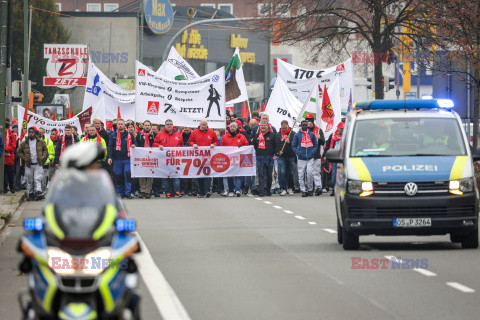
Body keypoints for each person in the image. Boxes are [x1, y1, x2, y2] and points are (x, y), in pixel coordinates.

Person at [153, 119, 184, 198]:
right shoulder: (160, 134)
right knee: (166, 176)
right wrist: (158, 146)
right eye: (167, 124)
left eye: (170, 124)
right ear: (165, 125)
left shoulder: (178, 135)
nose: (169, 125)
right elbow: (154, 143)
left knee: (176, 176)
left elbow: (182, 147)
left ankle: (177, 191)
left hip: (175, 160)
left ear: (173, 125)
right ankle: (168, 191)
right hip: (164, 160)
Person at [107, 118, 137, 199]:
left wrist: (134, 145)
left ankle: (128, 193)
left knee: (127, 175)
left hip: (127, 159)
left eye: (122, 124)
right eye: (119, 124)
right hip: (117, 159)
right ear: (117, 125)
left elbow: (135, 143)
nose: (120, 125)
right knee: (118, 176)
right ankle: (120, 193)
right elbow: (109, 147)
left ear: (124, 125)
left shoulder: (129, 134)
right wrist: (109, 157)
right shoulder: (113, 135)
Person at [190, 119, 218, 197]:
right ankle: (201, 192)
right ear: (200, 124)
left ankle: (207, 191)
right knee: (200, 175)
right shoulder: (194, 132)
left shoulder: (211, 132)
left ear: (207, 125)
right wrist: (193, 144)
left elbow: (216, 141)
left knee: (207, 174)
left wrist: (214, 144)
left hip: (208, 157)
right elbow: (190, 141)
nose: (204, 126)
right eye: (202, 125)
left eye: (205, 125)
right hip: (198, 157)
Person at [18, 127, 48, 201]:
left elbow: (45, 150)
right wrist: (24, 158)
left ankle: (38, 192)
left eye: (32, 132)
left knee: (37, 178)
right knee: (29, 180)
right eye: (29, 132)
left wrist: (43, 156)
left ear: (35, 133)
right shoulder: (24, 143)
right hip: (29, 164)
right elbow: (19, 151)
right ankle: (31, 194)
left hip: (38, 164)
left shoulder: (40, 141)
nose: (30, 134)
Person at [220, 122, 249, 196]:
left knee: (237, 175)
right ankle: (229, 190)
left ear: (236, 128)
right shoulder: (225, 137)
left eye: (234, 127)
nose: (232, 128)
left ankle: (237, 190)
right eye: (231, 127)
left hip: (238, 159)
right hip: (228, 159)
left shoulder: (241, 137)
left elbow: (246, 145)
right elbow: (221, 147)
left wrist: (241, 148)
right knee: (228, 175)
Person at [292, 120, 318, 197]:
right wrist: (298, 152)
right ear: (301, 126)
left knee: (309, 173)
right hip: (301, 158)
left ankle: (310, 189)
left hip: (310, 158)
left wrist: (312, 152)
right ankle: (303, 190)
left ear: (307, 126)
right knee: (301, 175)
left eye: (305, 125)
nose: (304, 126)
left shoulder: (312, 134)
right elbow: (293, 146)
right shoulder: (297, 135)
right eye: (303, 125)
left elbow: (315, 145)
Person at [252, 120, 277, 196]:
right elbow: (255, 146)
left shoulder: (272, 135)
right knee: (261, 175)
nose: (263, 127)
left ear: (267, 126)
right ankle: (261, 191)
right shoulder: (256, 135)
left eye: (264, 125)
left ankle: (268, 190)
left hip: (269, 158)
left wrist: (275, 154)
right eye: (261, 125)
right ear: (259, 127)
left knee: (269, 175)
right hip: (260, 157)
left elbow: (276, 145)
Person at [306, 114, 326, 196]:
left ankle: (319, 187)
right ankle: (310, 188)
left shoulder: (318, 130)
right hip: (307, 155)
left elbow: (323, 142)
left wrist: (320, 138)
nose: (307, 123)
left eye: (308, 121)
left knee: (317, 172)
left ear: (312, 121)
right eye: (306, 121)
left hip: (316, 155)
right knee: (309, 172)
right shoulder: (304, 130)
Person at [275, 120, 297, 196]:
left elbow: (295, 145)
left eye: (285, 128)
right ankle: (283, 188)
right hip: (281, 156)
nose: (284, 129)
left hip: (291, 156)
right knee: (282, 172)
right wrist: (278, 152)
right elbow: (276, 145)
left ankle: (290, 187)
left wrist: (289, 143)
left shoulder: (293, 134)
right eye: (283, 128)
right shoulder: (278, 135)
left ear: (288, 126)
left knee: (291, 173)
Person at [324, 122, 345, 196]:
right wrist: (325, 154)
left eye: (342, 129)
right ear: (338, 128)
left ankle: (342, 189)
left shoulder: (346, 136)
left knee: (342, 174)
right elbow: (327, 146)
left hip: (343, 158)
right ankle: (333, 189)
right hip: (334, 157)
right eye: (340, 128)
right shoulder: (332, 136)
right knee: (334, 174)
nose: (341, 130)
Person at [136, 120, 156, 198]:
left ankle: (148, 191)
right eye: (146, 125)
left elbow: (156, 143)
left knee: (150, 174)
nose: (147, 126)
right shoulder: (139, 135)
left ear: (150, 126)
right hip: (141, 157)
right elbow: (137, 144)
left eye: (148, 125)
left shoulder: (154, 134)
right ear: (143, 126)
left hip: (151, 157)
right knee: (142, 174)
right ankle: (142, 190)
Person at [38, 128, 55, 193]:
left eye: (41, 132)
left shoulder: (49, 141)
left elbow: (51, 153)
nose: (39, 133)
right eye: (38, 132)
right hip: (36, 162)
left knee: (43, 178)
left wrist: (48, 160)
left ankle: (43, 191)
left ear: (44, 133)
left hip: (45, 163)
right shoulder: (34, 140)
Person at [4, 123, 15, 193]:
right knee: (3, 175)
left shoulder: (11, 135)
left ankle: (11, 187)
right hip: (2, 159)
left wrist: (6, 149)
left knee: (10, 175)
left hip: (10, 158)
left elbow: (13, 145)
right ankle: (4, 188)